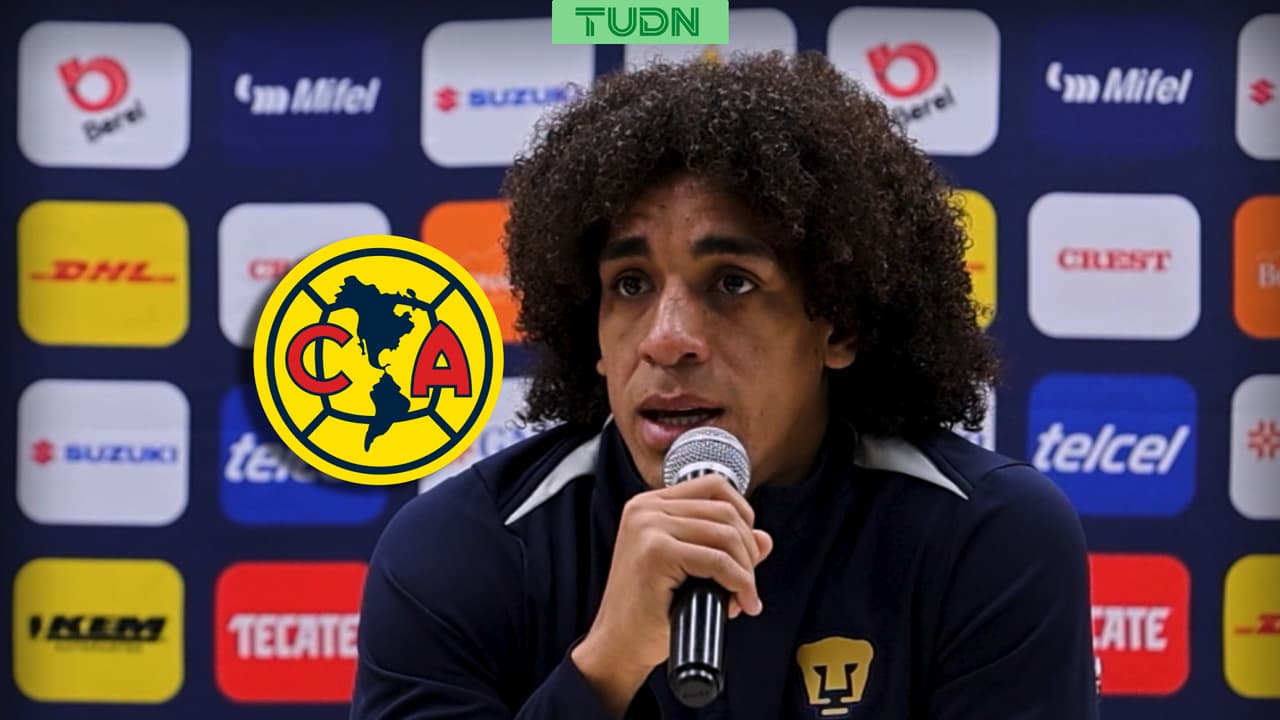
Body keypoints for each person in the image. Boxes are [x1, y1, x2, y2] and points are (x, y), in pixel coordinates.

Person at [350, 51, 1099, 719]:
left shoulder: (986, 538)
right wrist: (605, 666)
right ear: (592, 333)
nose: (666, 338)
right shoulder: (460, 549)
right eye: (631, 284)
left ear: (838, 325)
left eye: (732, 282)